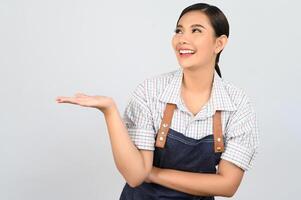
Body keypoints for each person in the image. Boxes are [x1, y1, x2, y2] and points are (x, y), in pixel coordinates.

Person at [55, 2, 259, 199]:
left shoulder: (237, 104)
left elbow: (227, 185)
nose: (182, 39)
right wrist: (109, 110)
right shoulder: (150, 91)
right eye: (179, 31)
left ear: (219, 43)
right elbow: (135, 176)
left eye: (196, 31)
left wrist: (152, 174)